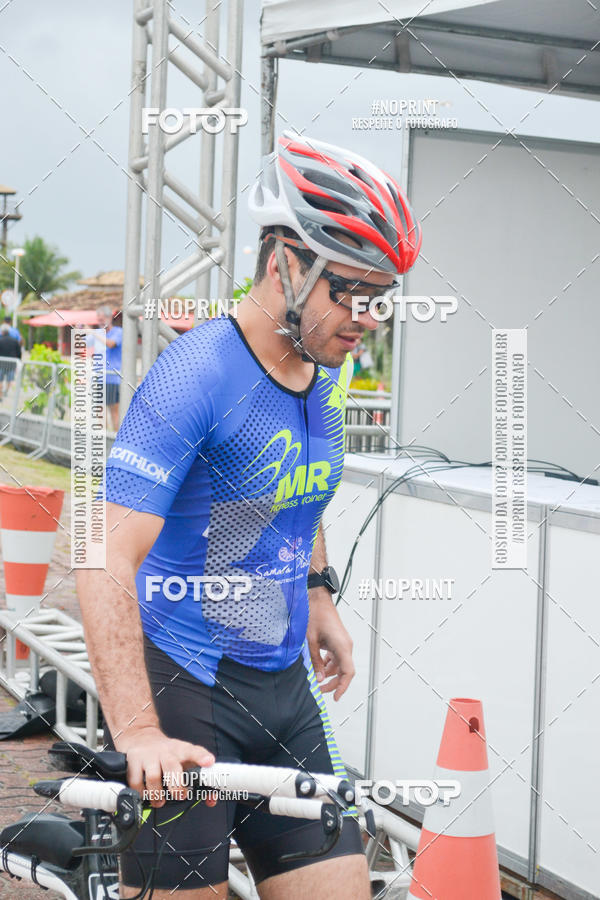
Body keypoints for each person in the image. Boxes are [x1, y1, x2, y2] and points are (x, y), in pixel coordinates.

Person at [76, 133, 421, 899]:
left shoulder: (322, 367)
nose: (364, 316)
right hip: (184, 683)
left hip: (280, 687)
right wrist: (135, 729)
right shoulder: (195, 375)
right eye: (349, 291)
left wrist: (321, 591)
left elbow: (294, 492)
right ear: (284, 264)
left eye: (380, 298)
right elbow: (101, 553)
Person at [87, 305, 122, 431]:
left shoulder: (118, 332)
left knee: (114, 411)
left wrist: (95, 333)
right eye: (99, 320)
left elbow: (111, 344)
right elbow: (85, 343)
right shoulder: (96, 333)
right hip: (98, 378)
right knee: (99, 412)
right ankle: (103, 438)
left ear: (110, 318)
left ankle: (114, 438)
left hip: (112, 378)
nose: (100, 323)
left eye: (102, 320)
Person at [0, 323, 21, 398]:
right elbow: (19, 353)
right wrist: (18, 361)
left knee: (0, 380)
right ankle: (6, 391)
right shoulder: (15, 341)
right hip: (11, 364)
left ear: (2, 331)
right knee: (10, 380)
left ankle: (0, 394)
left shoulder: (0, 340)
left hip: (1, 364)